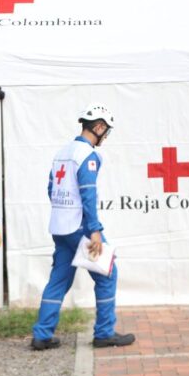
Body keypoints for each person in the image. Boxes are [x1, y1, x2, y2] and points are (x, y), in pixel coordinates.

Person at [31, 103, 135, 350]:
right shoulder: (88, 155)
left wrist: (63, 212)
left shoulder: (62, 153)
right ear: (98, 127)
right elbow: (88, 194)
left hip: (60, 227)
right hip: (80, 228)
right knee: (108, 274)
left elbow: (51, 189)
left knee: (58, 280)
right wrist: (95, 230)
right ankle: (104, 333)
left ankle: (42, 334)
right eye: (106, 131)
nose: (105, 137)